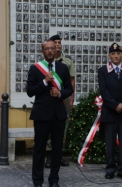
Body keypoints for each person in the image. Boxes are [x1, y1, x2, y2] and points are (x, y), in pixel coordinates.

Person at [27, 40, 73, 187]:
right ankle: (37, 182)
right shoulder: (35, 68)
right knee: (39, 149)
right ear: (42, 51)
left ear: (56, 49)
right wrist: (45, 82)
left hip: (58, 114)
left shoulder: (62, 68)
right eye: (46, 49)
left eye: (52, 48)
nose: (50, 51)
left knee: (57, 150)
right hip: (42, 114)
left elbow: (69, 88)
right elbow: (30, 91)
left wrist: (60, 93)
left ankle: (54, 180)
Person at [98, 43, 122, 181]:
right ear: (109, 55)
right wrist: (115, 105)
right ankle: (110, 169)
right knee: (110, 143)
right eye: (113, 54)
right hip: (110, 112)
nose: (116, 56)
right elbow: (104, 91)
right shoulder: (103, 71)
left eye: (118, 53)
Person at [44, 35, 76, 168]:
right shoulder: (44, 63)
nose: (57, 45)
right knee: (49, 125)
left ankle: (59, 154)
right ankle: (49, 155)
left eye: (59, 43)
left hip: (64, 96)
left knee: (63, 125)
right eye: (55, 43)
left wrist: (72, 98)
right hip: (49, 97)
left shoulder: (67, 62)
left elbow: (72, 81)